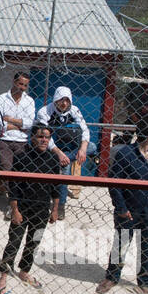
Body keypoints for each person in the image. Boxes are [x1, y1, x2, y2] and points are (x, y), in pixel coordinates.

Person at [96, 120, 148, 294]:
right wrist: (121, 208)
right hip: (128, 212)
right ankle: (111, 278)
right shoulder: (125, 154)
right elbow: (114, 183)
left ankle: (144, 283)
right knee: (121, 244)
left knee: (146, 247)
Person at [0, 124, 62, 294]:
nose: (44, 140)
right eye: (40, 136)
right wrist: (14, 210)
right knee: (14, 241)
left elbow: (56, 186)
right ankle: (4, 275)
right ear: (33, 138)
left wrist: (55, 209)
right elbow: (14, 185)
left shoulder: (53, 159)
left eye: (47, 137)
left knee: (33, 242)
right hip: (22, 208)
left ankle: (24, 271)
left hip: (42, 208)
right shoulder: (21, 157)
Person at [35, 86, 90, 219]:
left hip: (69, 147)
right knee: (64, 170)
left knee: (91, 147)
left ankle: (67, 159)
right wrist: (59, 154)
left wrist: (82, 149)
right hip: (50, 147)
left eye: (67, 100)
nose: (64, 103)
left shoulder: (74, 110)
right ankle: (60, 205)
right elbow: (46, 138)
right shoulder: (45, 112)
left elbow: (85, 130)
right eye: (61, 100)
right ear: (55, 100)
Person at [0, 72, 36, 193]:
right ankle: (11, 197)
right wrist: (19, 125)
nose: (22, 88)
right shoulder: (1, 99)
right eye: (20, 84)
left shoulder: (29, 101)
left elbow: (29, 123)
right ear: (14, 82)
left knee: (22, 168)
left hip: (22, 141)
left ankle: (16, 195)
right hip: (4, 139)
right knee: (7, 168)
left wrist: (9, 120)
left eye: (25, 85)